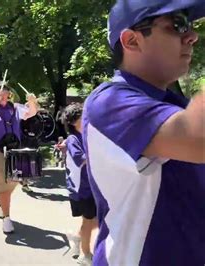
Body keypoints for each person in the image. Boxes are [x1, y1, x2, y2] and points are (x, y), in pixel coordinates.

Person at [83, 1, 205, 265]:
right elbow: (198, 139)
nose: (192, 35)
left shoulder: (175, 105)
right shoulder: (109, 101)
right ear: (131, 40)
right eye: (178, 24)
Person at [0, 81, 38, 233]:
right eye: (0, 90)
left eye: (6, 91)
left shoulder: (15, 107)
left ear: (9, 94)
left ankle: (1, 203)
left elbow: (32, 113)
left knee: (15, 180)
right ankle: (6, 218)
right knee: (4, 184)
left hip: (13, 148)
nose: (3, 93)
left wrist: (32, 102)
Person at [61, 103, 97, 265]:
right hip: (81, 188)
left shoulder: (89, 134)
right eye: (84, 116)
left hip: (93, 186)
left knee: (97, 219)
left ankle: (77, 238)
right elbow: (80, 159)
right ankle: (85, 254)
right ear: (75, 121)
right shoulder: (73, 139)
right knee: (88, 221)